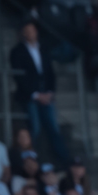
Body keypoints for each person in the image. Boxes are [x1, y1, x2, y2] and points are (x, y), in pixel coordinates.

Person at [9, 21, 70, 164]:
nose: (30, 33)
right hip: (30, 96)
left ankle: (65, 161)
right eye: (27, 31)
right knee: (34, 130)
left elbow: (50, 72)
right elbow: (19, 76)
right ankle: (33, 161)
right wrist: (35, 94)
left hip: (46, 94)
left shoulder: (43, 48)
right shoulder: (17, 51)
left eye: (32, 30)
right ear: (23, 33)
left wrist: (50, 93)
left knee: (53, 129)